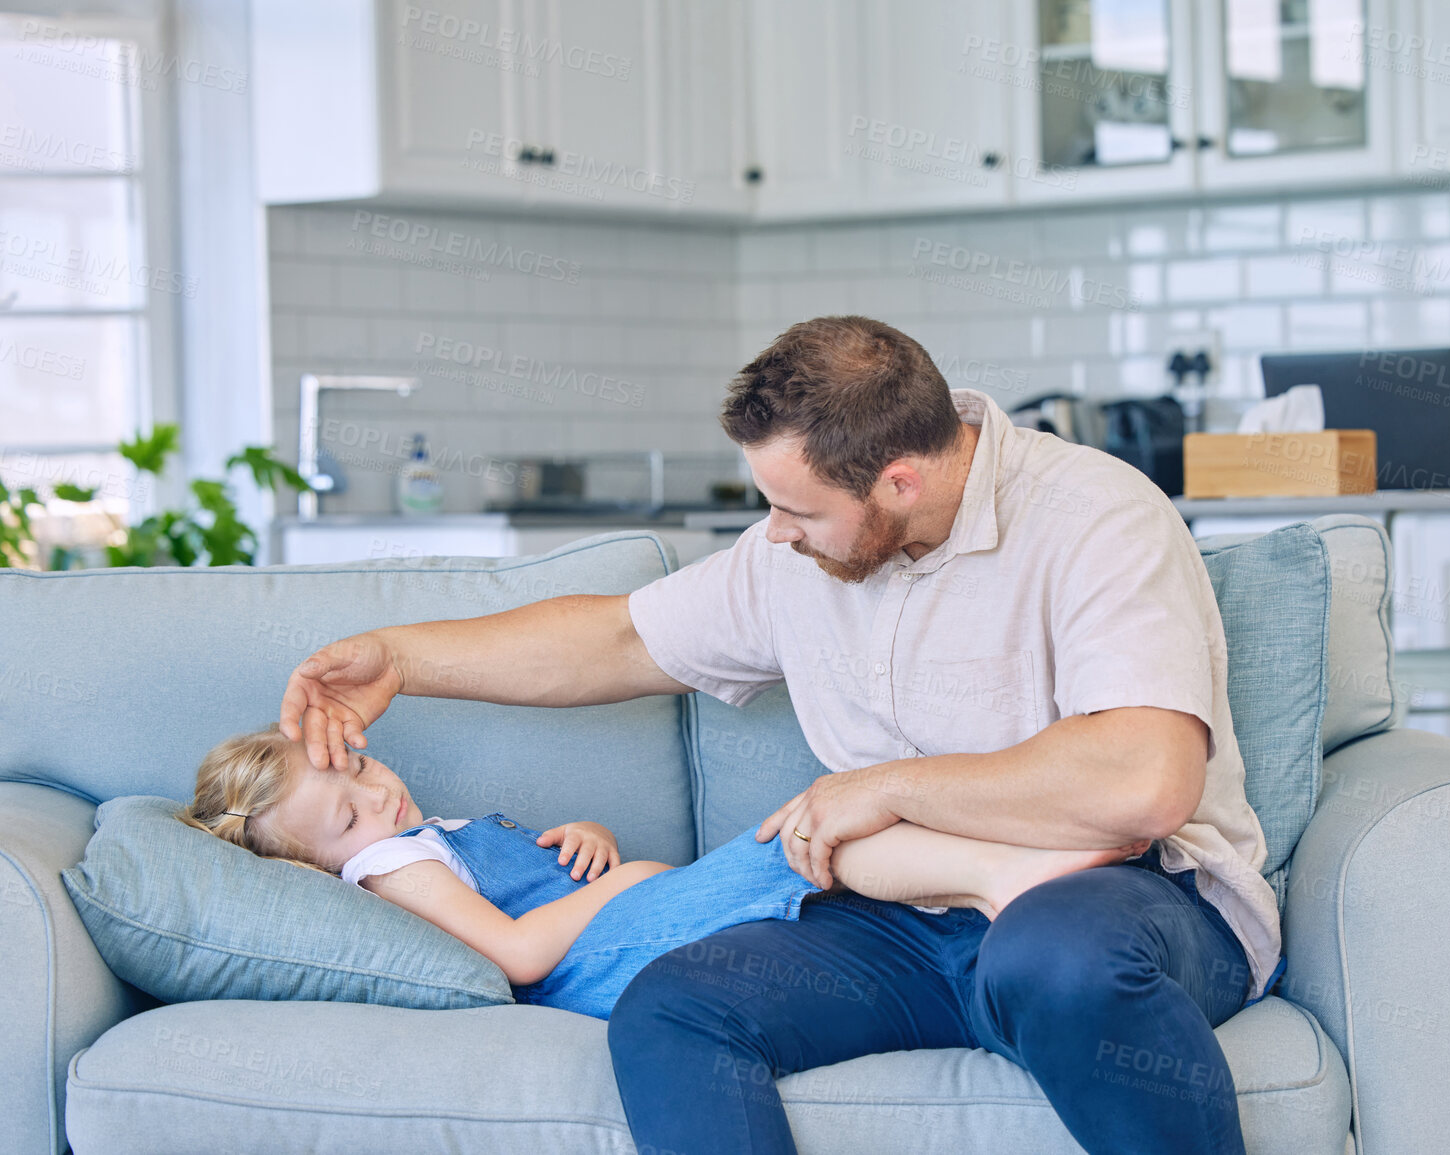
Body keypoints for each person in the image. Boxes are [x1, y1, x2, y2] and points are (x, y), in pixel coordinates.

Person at [280, 315, 1280, 1155]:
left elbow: (1145, 779)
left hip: (1131, 897)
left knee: (1052, 961)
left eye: (797, 509)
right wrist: (403, 660)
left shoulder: (1095, 516)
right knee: (672, 1010)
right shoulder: (804, 556)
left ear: (898, 482)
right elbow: (623, 636)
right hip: (903, 911)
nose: (774, 533)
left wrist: (888, 788)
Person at [178, 726, 1148, 1020]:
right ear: (320, 862)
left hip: (615, 936)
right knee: (804, 838)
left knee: (817, 843)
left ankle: (1001, 875)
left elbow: (520, 890)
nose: (376, 803)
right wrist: (627, 876)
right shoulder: (391, 866)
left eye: (360, 773)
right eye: (346, 818)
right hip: (589, 973)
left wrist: (585, 840)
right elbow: (516, 955)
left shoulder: (419, 832)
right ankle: (1006, 877)